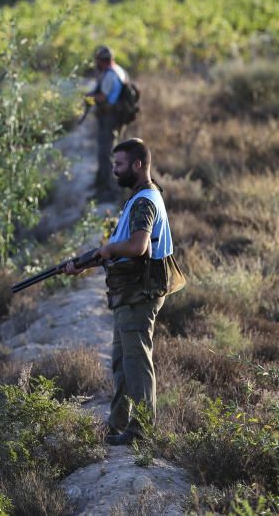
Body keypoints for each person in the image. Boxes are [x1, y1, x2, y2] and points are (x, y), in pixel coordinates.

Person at [63, 138, 184, 446]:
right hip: (131, 293)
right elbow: (121, 249)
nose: (114, 171)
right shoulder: (142, 197)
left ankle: (141, 432)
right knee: (122, 361)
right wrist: (85, 262)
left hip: (138, 294)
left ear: (138, 165)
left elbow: (137, 246)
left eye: (119, 165)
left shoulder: (144, 202)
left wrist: (105, 249)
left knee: (136, 362)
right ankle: (117, 425)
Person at [87, 46, 130, 202]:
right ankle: (103, 187)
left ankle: (111, 191)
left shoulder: (110, 75)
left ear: (101, 60)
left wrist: (88, 98)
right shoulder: (119, 70)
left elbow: (102, 98)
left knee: (107, 154)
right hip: (115, 118)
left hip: (109, 118)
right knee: (108, 153)